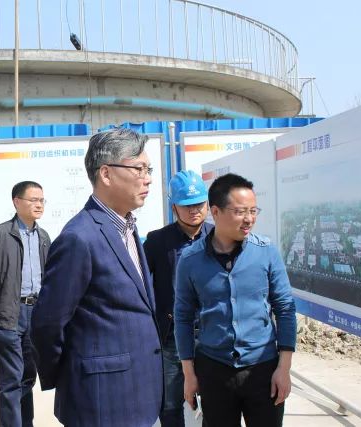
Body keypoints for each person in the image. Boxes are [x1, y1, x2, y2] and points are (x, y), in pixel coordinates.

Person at [31, 128, 163, 427]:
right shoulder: (79, 237)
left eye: (149, 169)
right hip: (102, 401)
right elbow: (47, 323)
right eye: (139, 169)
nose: (148, 178)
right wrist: (72, 375)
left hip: (140, 393)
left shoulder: (127, 228)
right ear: (106, 174)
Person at [174, 173, 296, 427]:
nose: (249, 218)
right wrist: (189, 373)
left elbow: (285, 309)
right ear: (215, 212)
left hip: (262, 368)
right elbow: (183, 317)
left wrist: (283, 369)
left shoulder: (266, 252)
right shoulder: (190, 260)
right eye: (240, 212)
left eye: (253, 211)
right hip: (214, 369)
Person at [0, 181, 50, 427]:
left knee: (28, 377)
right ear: (17, 202)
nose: (39, 205)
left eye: (42, 200)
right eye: (33, 200)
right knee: (10, 380)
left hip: (35, 313)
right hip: (9, 313)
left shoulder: (43, 237)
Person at [143, 170, 213, 427]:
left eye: (199, 204)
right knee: (170, 405)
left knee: (216, 403)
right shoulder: (157, 241)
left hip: (212, 336)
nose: (194, 210)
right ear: (174, 207)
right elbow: (139, 285)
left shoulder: (219, 237)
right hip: (171, 337)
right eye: (187, 205)